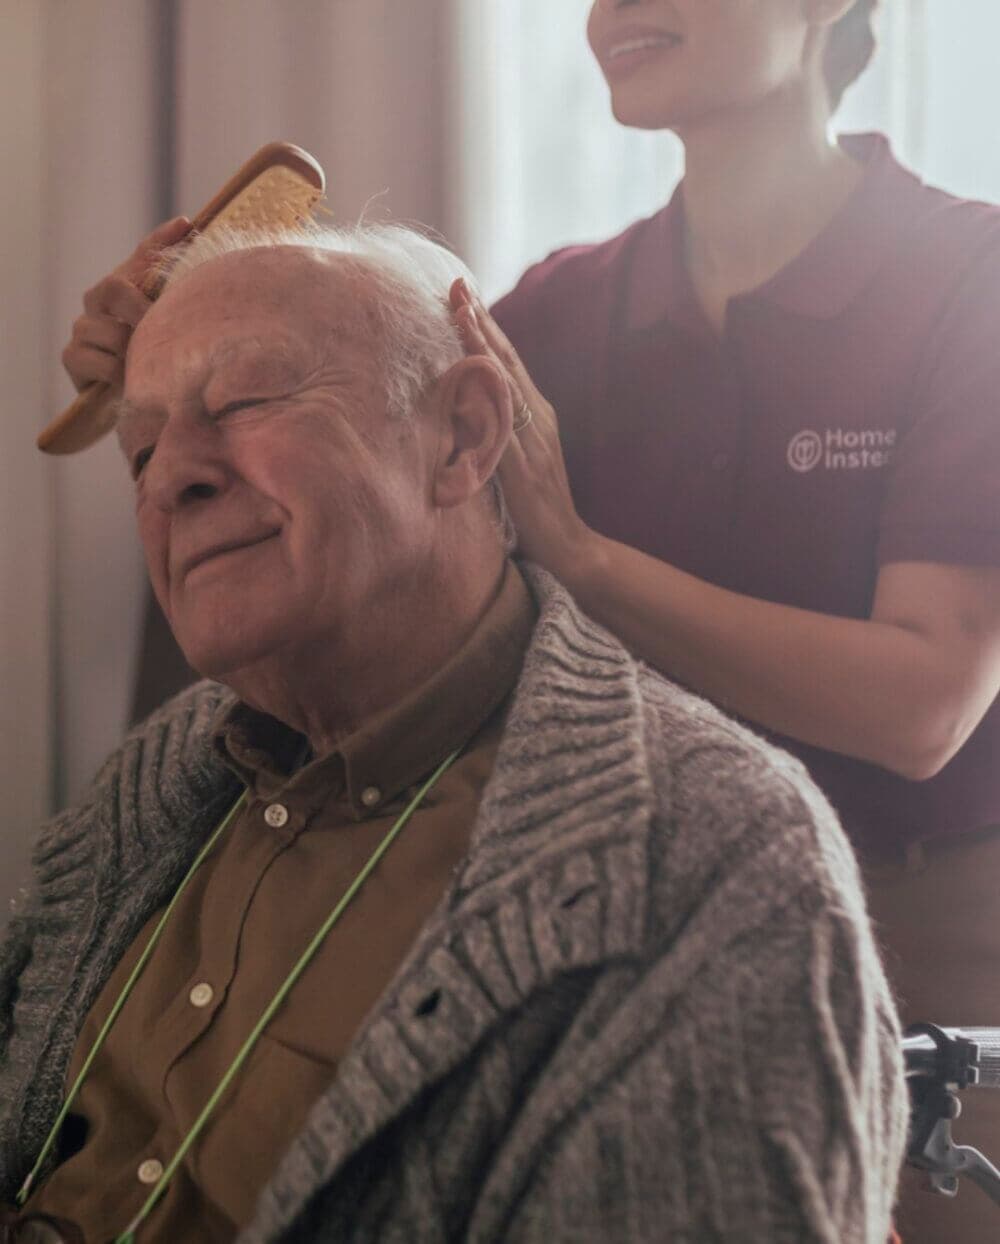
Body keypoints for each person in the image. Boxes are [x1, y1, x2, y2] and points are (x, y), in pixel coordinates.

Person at [2, 224, 905, 1241]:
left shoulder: (713, 855)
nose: (170, 479)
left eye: (244, 400)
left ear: (466, 436)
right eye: (141, 451)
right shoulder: (161, 774)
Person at [450, 3, 1000, 1239]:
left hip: (924, 948)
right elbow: (357, 437)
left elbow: (923, 701)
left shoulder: (972, 276)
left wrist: (587, 564)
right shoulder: (557, 310)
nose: (612, 12)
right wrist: (179, 333)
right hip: (645, 923)